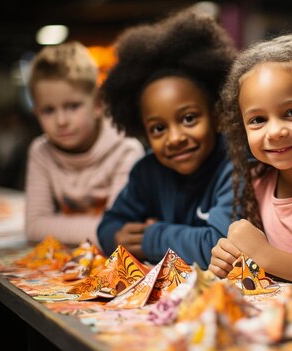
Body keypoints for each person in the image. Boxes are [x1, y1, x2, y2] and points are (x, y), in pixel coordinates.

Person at [96, 9, 237, 269]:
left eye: (189, 119)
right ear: (143, 130)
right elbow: (108, 227)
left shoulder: (234, 165)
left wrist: (153, 236)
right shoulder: (147, 171)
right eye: (158, 128)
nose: (174, 138)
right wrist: (116, 236)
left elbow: (220, 248)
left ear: (218, 115)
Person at [208, 34, 292, 282]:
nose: (275, 132)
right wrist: (229, 259)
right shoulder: (256, 184)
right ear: (241, 126)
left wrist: (263, 254)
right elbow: (255, 268)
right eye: (258, 120)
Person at [25, 41, 145, 246]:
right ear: (36, 112)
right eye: (48, 110)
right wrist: (106, 231)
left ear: (98, 104)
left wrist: (54, 225)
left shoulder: (126, 150)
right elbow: (34, 227)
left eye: (73, 106)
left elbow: (121, 228)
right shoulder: (40, 151)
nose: (61, 121)